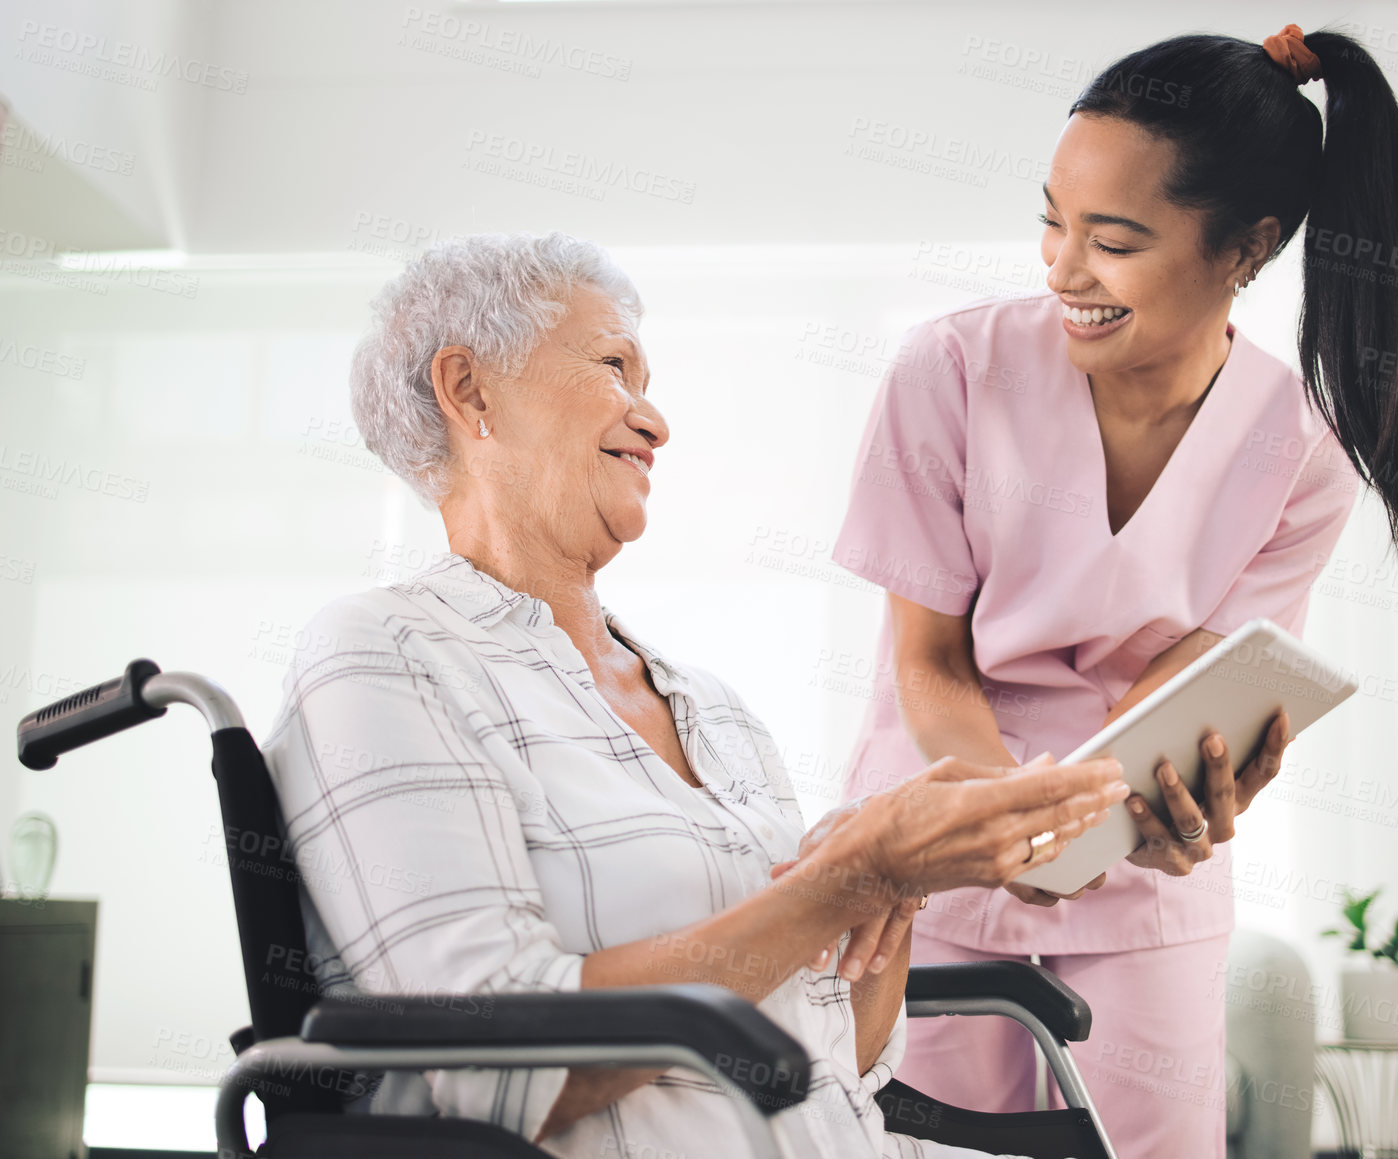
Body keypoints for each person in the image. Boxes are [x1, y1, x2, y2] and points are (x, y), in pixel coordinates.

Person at [260, 231, 1132, 1159]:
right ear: (469, 388)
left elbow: (847, 1061)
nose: (656, 420)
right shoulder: (385, 654)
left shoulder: (712, 709)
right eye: (613, 366)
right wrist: (847, 877)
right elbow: (501, 1064)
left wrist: (895, 888)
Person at [830, 25, 1398, 1157]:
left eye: (1113, 241)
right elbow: (929, 665)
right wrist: (1013, 831)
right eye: (1052, 221)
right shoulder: (948, 372)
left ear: (1246, 248)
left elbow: (1193, 689)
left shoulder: (1301, 450)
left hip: (1139, 882)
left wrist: (1195, 789)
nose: (1060, 269)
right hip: (937, 839)